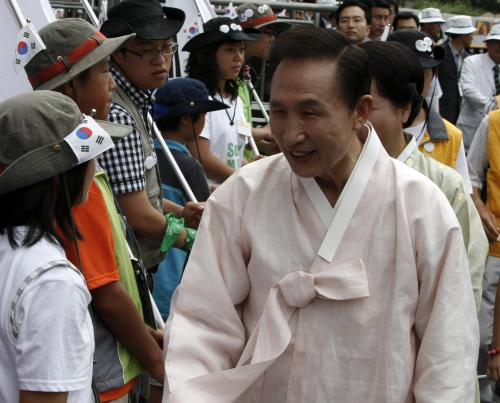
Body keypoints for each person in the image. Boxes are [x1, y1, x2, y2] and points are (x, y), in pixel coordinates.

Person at [162, 26, 478, 403]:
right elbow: (201, 324)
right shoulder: (244, 195)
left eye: (310, 113)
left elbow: (447, 350)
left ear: (360, 111)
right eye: (279, 112)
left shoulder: (420, 206)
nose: (291, 134)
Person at [24, 18, 167, 402]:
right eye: (105, 72)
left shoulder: (76, 160)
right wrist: (156, 360)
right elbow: (104, 290)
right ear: (70, 87)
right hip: (108, 372)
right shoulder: (68, 176)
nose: (113, 83)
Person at [0, 91, 114, 403]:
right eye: (89, 157)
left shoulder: (13, 253)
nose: (95, 166)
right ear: (59, 180)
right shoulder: (51, 281)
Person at [363, 39, 487, 312]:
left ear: (405, 107)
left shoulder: (443, 183)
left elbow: (467, 268)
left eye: (368, 107)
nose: (356, 119)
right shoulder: (322, 176)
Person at [99, 0, 203, 274]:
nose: (160, 60)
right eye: (147, 51)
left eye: (167, 48)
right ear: (118, 55)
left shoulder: (137, 98)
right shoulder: (120, 113)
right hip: (126, 267)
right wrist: (192, 240)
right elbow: (138, 217)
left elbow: (136, 195)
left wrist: (180, 212)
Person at [151, 77, 228, 319]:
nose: (204, 122)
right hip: (175, 279)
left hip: (151, 275)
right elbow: (207, 224)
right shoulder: (189, 167)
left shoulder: (146, 160)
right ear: (186, 119)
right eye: (202, 115)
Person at [388, 29, 472, 193]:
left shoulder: (450, 136)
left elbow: (461, 199)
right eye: (407, 73)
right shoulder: (363, 126)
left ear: (433, 77)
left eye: (424, 74)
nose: (415, 83)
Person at [183, 17, 258, 185]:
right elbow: (201, 157)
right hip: (208, 197)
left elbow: (234, 158)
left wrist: (251, 168)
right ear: (209, 56)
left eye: (242, 49)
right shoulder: (198, 99)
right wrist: (243, 178)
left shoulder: (235, 99)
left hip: (234, 192)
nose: (238, 57)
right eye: (230, 50)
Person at [467, 106, 500, 402]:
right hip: (496, 245)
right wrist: (481, 208)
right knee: (485, 333)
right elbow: (471, 177)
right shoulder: (494, 121)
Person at [235, 2, 291, 156]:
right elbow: (225, 127)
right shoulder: (226, 75)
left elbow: (235, 135)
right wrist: (264, 132)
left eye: (274, 34)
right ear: (247, 34)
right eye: (268, 33)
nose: (272, 40)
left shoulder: (243, 74)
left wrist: (263, 147)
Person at [457, 24, 500, 151]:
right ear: (488, 44)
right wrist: (493, 106)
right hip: (472, 128)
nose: (499, 46)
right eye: (496, 42)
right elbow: (468, 89)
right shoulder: (472, 61)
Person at [439, 15, 476, 125]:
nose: (472, 37)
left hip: (462, 111)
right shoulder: (440, 54)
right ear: (463, 36)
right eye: (470, 34)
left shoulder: (468, 57)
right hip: (443, 110)